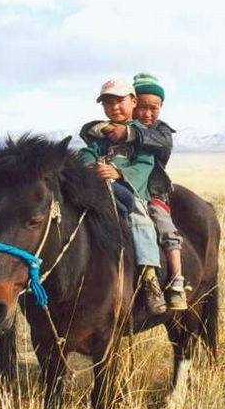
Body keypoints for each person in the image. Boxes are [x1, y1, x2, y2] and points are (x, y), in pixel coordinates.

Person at [79, 73, 186, 310]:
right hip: (101, 187)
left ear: (132, 101)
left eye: (120, 101)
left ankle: (150, 279)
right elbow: (89, 148)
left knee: (141, 220)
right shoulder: (103, 132)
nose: (114, 107)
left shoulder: (148, 135)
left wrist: (118, 173)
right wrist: (88, 165)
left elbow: (145, 164)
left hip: (136, 192)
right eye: (108, 103)